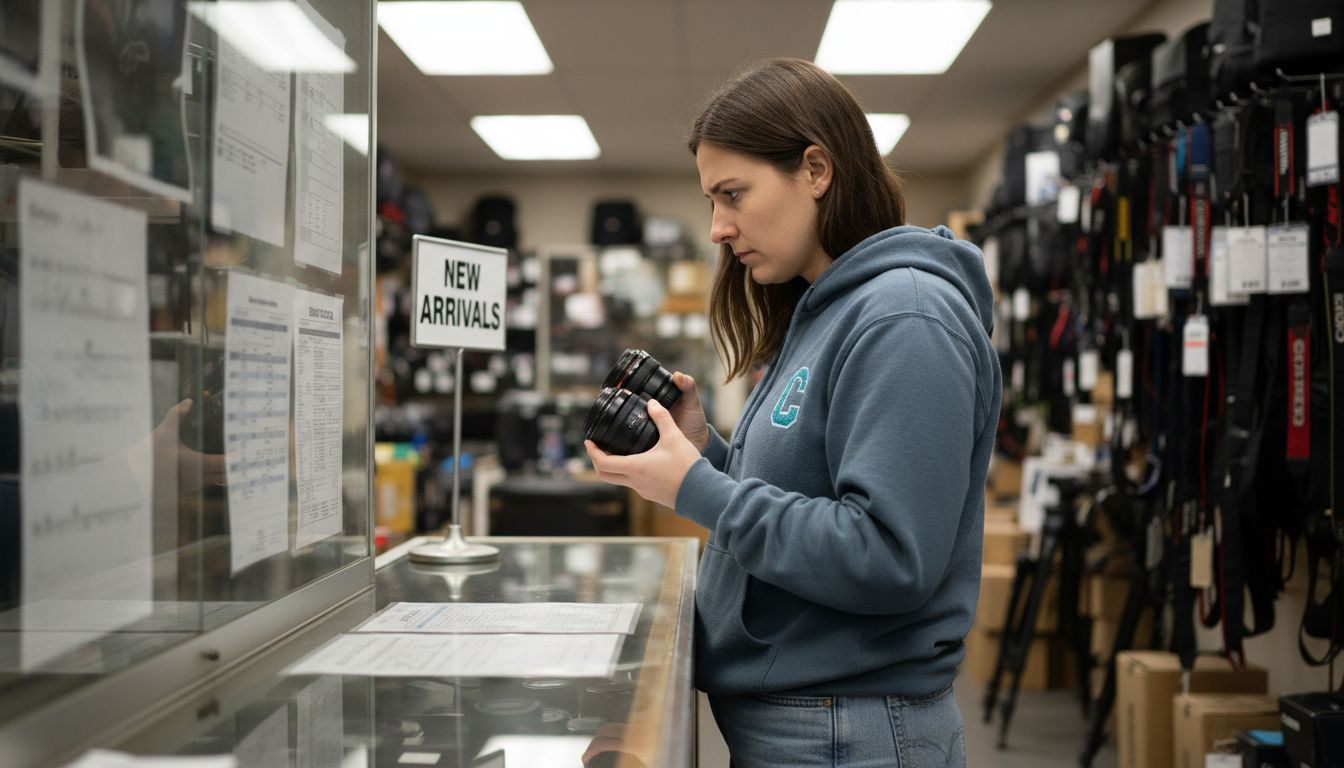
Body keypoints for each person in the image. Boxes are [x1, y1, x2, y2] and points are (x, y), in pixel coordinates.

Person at [585, 57, 1001, 768]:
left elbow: (888, 558)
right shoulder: (824, 311)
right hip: (810, 725)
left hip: (852, 732)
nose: (717, 227)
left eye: (733, 194)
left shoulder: (905, 317)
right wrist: (707, 453)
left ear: (815, 169)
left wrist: (695, 488)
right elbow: (804, 497)